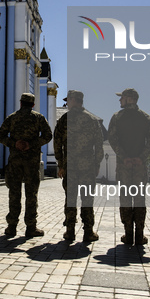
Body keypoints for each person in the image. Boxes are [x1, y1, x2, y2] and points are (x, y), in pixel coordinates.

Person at [0, 93, 52, 238]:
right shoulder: (38, 118)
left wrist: (14, 143)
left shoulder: (12, 118)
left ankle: (11, 227)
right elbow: (48, 135)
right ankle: (31, 227)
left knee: (14, 193)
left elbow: (0, 136)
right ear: (33, 105)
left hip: (15, 161)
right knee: (31, 194)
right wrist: (31, 144)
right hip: (32, 162)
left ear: (20, 103)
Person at [54, 90, 104, 242]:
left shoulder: (64, 120)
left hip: (70, 167)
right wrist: (96, 164)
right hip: (87, 167)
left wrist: (61, 164)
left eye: (68, 100)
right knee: (87, 199)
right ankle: (88, 232)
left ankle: (70, 232)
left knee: (71, 199)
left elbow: (57, 144)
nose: (67, 103)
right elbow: (99, 145)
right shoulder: (92, 120)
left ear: (73, 100)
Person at [109, 88, 150, 245]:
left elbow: (113, 140)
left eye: (121, 97)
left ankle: (128, 234)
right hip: (140, 166)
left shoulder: (117, 117)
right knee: (140, 199)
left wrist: (124, 157)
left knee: (125, 199)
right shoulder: (146, 118)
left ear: (129, 98)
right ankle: (139, 235)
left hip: (124, 166)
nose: (119, 100)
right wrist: (141, 158)